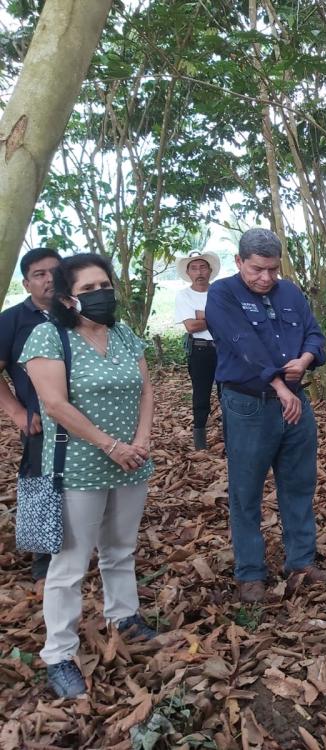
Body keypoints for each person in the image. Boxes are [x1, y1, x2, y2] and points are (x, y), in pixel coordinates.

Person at [20, 253, 157, 699]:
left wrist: (139, 440)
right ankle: (59, 654)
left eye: (105, 286)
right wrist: (110, 446)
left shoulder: (122, 333)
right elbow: (55, 405)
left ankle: (126, 617)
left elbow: (146, 389)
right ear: (67, 298)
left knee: (121, 548)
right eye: (89, 290)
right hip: (78, 465)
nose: (101, 295)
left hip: (131, 461)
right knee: (70, 564)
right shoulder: (49, 337)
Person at [205, 228, 326, 603]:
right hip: (249, 405)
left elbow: (314, 334)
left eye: (273, 270)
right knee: (246, 491)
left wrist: (306, 359)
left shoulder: (289, 292)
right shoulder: (222, 294)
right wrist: (279, 386)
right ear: (239, 262)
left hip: (295, 401)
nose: (265, 278)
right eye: (257, 269)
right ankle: (250, 574)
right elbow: (243, 345)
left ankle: (301, 563)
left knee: (299, 483)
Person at [0, 247, 61, 581]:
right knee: (41, 482)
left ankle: (84, 547)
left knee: (81, 484)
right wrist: (17, 412)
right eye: (40, 274)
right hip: (40, 421)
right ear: (26, 284)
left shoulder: (77, 314)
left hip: (85, 419)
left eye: (55, 271)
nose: (49, 279)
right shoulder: (12, 320)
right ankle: (42, 560)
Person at [174, 251, 221, 449]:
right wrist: (217, 315)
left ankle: (232, 438)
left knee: (227, 394)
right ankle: (200, 443)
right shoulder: (183, 295)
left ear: (210, 270)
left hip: (225, 350)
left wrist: (201, 314)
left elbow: (233, 319)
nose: (199, 272)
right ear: (188, 272)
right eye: (194, 268)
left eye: (203, 267)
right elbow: (191, 326)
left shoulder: (220, 292)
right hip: (200, 351)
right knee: (200, 396)